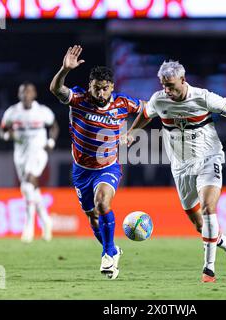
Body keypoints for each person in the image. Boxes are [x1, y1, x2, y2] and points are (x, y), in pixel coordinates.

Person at [126, 60, 226, 283]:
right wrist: (132, 132)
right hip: (180, 167)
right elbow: (146, 113)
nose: (167, 90)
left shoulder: (203, 97)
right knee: (200, 225)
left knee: (209, 208)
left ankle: (208, 269)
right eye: (164, 85)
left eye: (171, 85)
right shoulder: (158, 99)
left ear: (183, 80)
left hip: (208, 159)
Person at [49, 45, 144, 280]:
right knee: (92, 217)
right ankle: (112, 249)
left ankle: (107, 256)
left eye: (104, 89)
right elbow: (56, 89)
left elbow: (148, 110)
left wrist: (132, 132)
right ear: (89, 86)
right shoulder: (79, 99)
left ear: (111, 87)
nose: (100, 94)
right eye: (96, 88)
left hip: (108, 166)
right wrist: (64, 70)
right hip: (81, 170)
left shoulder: (123, 104)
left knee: (103, 203)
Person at [0, 82, 59, 243]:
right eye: (23, 93)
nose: (26, 95)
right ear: (19, 95)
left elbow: (54, 127)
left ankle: (29, 226)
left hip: (39, 151)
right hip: (20, 154)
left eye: (29, 92)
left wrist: (51, 142)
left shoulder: (42, 111)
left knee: (26, 185)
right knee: (32, 189)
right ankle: (46, 220)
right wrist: (8, 136)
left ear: (34, 94)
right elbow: (2, 131)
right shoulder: (12, 112)